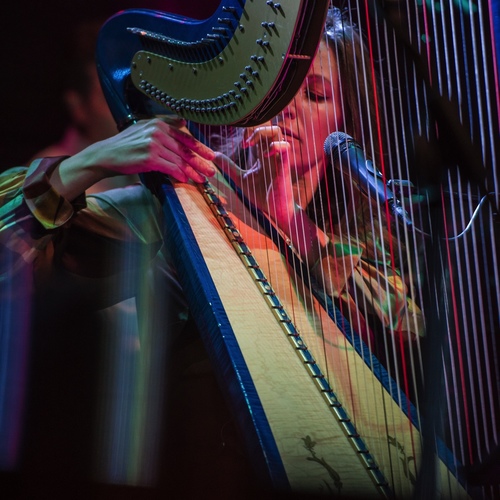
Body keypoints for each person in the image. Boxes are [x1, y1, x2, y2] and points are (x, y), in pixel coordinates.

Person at [0, 7, 423, 498]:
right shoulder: (165, 217)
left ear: (344, 120)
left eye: (317, 94)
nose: (291, 109)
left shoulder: (367, 241)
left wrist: (288, 224)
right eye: (279, 93)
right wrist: (91, 161)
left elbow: (412, 336)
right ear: (243, 101)